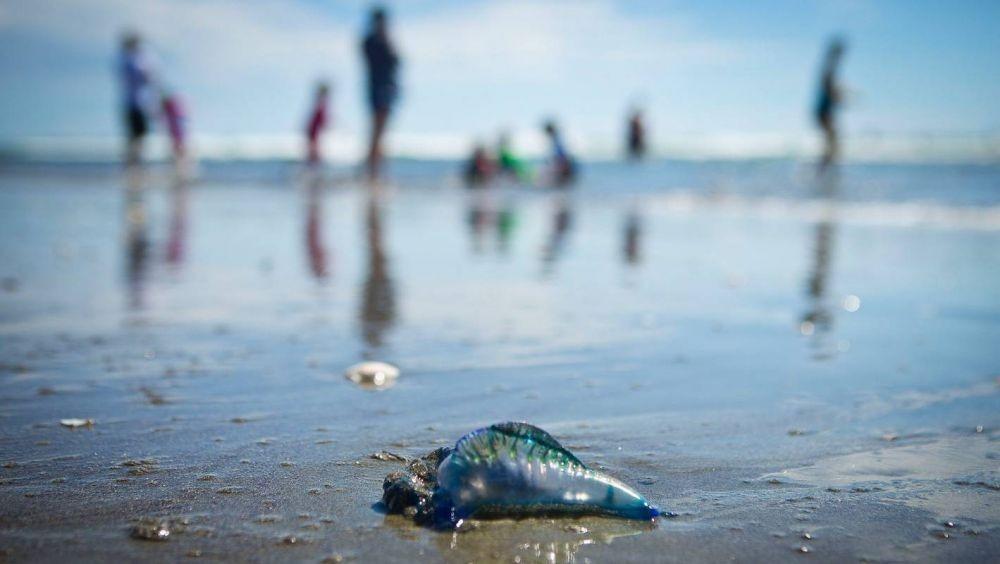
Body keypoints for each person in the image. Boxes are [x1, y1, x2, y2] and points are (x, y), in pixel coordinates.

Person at [361, 7, 400, 181]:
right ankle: (372, 172)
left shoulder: (383, 40)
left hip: (385, 90)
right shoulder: (372, 41)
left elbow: (396, 62)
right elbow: (389, 61)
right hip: (378, 90)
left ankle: (375, 171)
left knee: (380, 133)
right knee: (377, 132)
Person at [119, 32, 153, 166]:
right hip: (136, 103)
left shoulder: (125, 59)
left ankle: (133, 163)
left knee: (136, 137)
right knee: (137, 136)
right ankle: (133, 164)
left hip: (134, 103)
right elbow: (146, 77)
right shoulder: (133, 60)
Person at [815, 38, 847, 171]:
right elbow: (828, 87)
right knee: (832, 143)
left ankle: (825, 171)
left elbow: (829, 87)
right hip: (824, 112)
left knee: (832, 143)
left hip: (824, 111)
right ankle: (823, 171)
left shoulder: (829, 68)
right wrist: (839, 97)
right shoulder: (829, 67)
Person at [543, 120, 576, 186]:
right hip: (566, 169)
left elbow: (560, 158)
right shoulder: (557, 140)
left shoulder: (556, 141)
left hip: (565, 169)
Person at [305, 82, 331, 165]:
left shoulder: (320, 105)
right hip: (313, 132)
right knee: (314, 152)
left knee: (314, 151)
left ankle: (313, 168)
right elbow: (322, 121)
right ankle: (313, 168)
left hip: (313, 132)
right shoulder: (320, 105)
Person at [159, 89, 187, 164]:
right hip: (176, 133)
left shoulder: (171, 109)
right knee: (178, 151)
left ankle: (181, 166)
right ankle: (180, 166)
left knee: (179, 151)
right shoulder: (172, 109)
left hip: (177, 133)